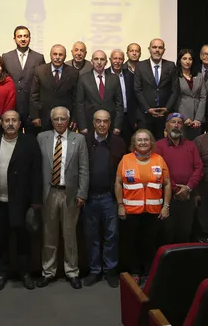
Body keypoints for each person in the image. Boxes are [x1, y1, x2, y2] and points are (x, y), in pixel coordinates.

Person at [0, 110, 42, 291]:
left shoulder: (29, 142)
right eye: (7, 120)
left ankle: (25, 273)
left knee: (23, 239)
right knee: (1, 239)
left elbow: (36, 173)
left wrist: (36, 201)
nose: (10, 124)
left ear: (20, 123)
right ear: (2, 123)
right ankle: (1, 273)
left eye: (14, 120)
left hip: (21, 202)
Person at [36, 106, 88, 290]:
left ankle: (72, 271)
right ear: (51, 120)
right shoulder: (42, 138)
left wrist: (82, 193)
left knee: (70, 235)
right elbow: (36, 168)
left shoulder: (78, 139)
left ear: (69, 120)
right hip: (49, 193)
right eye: (56, 119)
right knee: (49, 235)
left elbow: (84, 169)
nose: (59, 122)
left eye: (63, 119)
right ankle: (48, 271)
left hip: (70, 194)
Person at [115, 129, 172, 286]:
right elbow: (118, 183)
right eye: (139, 140)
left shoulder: (159, 159)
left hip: (153, 212)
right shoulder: (126, 159)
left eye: (146, 140)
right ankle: (134, 273)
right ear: (134, 143)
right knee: (132, 243)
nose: (143, 143)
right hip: (131, 211)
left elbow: (167, 184)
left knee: (150, 244)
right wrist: (120, 205)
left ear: (151, 142)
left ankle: (148, 273)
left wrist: (166, 206)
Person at [83, 110, 127, 288]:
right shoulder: (84, 140)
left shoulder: (118, 142)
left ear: (110, 123)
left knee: (111, 235)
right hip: (89, 196)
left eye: (105, 121)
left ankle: (110, 270)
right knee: (91, 235)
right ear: (93, 123)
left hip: (110, 196)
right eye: (98, 121)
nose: (102, 125)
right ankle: (95, 270)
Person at [154, 114, 203, 243]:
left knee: (185, 232)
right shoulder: (158, 146)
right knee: (167, 234)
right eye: (173, 122)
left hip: (188, 196)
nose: (176, 125)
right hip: (168, 198)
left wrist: (188, 187)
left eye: (179, 122)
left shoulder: (191, 145)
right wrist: (176, 189)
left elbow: (199, 168)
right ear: (166, 125)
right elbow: (159, 170)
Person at [1, 26, 46, 133]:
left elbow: (42, 85)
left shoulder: (38, 57)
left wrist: (37, 112)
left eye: (26, 36)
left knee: (31, 140)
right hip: (12, 106)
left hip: (31, 109)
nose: (23, 39)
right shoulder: (6, 57)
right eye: (19, 36)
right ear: (14, 39)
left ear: (30, 38)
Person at [134, 38, 180, 141]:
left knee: (162, 144)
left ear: (164, 50)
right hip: (145, 115)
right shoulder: (140, 66)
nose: (157, 50)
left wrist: (167, 108)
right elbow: (137, 89)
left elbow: (175, 90)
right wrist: (147, 108)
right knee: (144, 143)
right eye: (154, 47)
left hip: (164, 115)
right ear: (149, 49)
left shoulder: (171, 66)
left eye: (160, 47)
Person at [30, 45, 79, 132]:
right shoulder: (39, 70)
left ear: (65, 57)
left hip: (65, 118)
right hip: (44, 117)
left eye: (60, 55)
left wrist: (74, 118)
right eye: (55, 54)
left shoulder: (73, 72)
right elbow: (34, 95)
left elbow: (76, 98)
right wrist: (35, 116)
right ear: (50, 55)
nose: (57, 57)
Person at [74, 50, 123, 136]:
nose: (99, 62)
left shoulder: (114, 78)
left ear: (106, 62)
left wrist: (117, 126)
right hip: (90, 124)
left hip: (110, 124)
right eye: (96, 59)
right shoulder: (83, 78)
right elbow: (79, 104)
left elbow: (119, 103)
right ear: (91, 62)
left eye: (102, 59)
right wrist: (82, 126)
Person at [175, 49, 207, 140]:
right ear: (179, 60)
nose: (187, 61)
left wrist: (198, 118)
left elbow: (203, 97)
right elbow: (176, 98)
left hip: (197, 118)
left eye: (190, 59)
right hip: (181, 117)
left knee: (196, 144)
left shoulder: (199, 76)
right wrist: (184, 117)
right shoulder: (175, 76)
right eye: (184, 58)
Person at [109, 48, 138, 144]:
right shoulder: (104, 74)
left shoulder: (130, 75)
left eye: (120, 59)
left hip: (127, 118)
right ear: (110, 59)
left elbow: (134, 99)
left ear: (123, 60)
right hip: (110, 118)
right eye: (115, 58)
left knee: (127, 146)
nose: (117, 61)